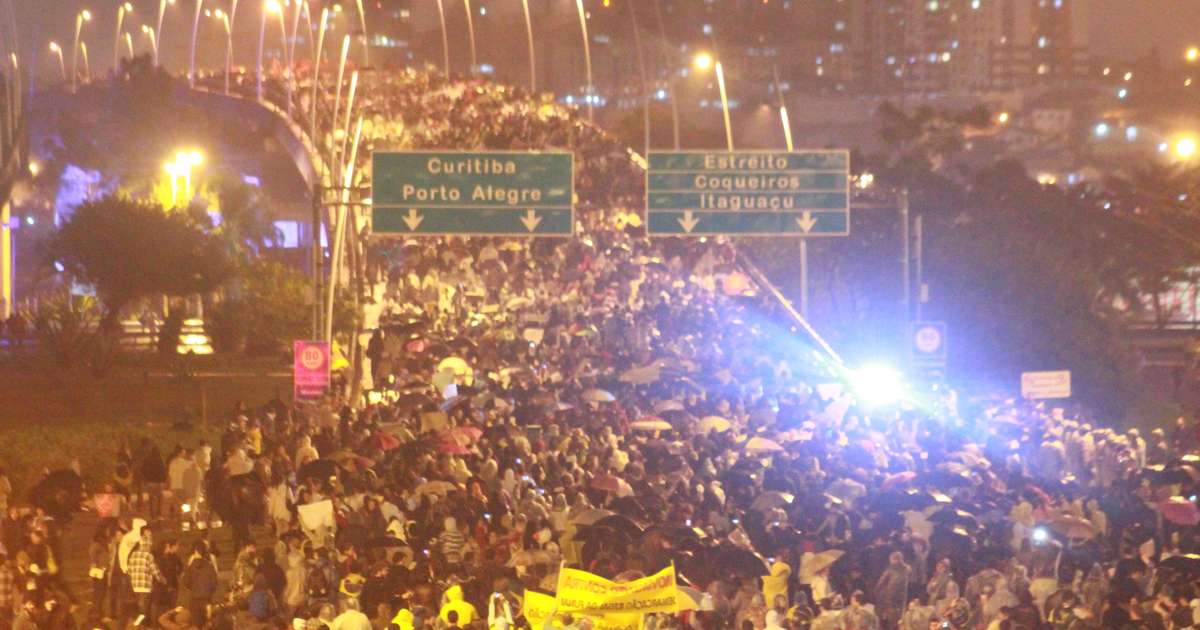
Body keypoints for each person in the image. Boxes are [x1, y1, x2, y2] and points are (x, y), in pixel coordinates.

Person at [181, 540, 217, 626]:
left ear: (196, 551)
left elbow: (186, 581)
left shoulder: (191, 567)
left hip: (194, 598)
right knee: (208, 624)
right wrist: (209, 592)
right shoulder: (209, 566)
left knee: (196, 624)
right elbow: (214, 583)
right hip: (207, 598)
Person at [127, 540, 163, 625]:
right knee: (143, 611)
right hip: (145, 587)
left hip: (134, 587)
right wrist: (162, 579)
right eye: (149, 546)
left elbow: (129, 571)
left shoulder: (133, 555)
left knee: (137, 610)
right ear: (146, 546)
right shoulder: (148, 556)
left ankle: (135, 625)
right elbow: (155, 571)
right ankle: (138, 626)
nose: (150, 549)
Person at [875, 551, 913, 629]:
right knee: (898, 620)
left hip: (890, 599)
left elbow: (880, 583)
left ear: (896, 559)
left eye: (891, 559)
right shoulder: (907, 569)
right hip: (901, 599)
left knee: (889, 621)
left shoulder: (890, 570)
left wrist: (877, 591)